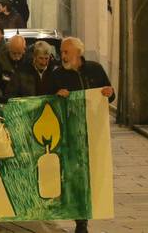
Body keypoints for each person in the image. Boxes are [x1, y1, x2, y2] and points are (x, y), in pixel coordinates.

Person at [52, 37, 115, 233]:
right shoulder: (58, 75)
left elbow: (111, 94)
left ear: (78, 53)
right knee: (75, 176)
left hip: (93, 133)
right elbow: (47, 99)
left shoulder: (95, 70)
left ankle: (86, 215)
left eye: (66, 52)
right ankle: (81, 221)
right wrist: (57, 95)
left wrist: (108, 92)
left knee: (93, 175)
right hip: (70, 133)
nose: (62, 56)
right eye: (61, 52)